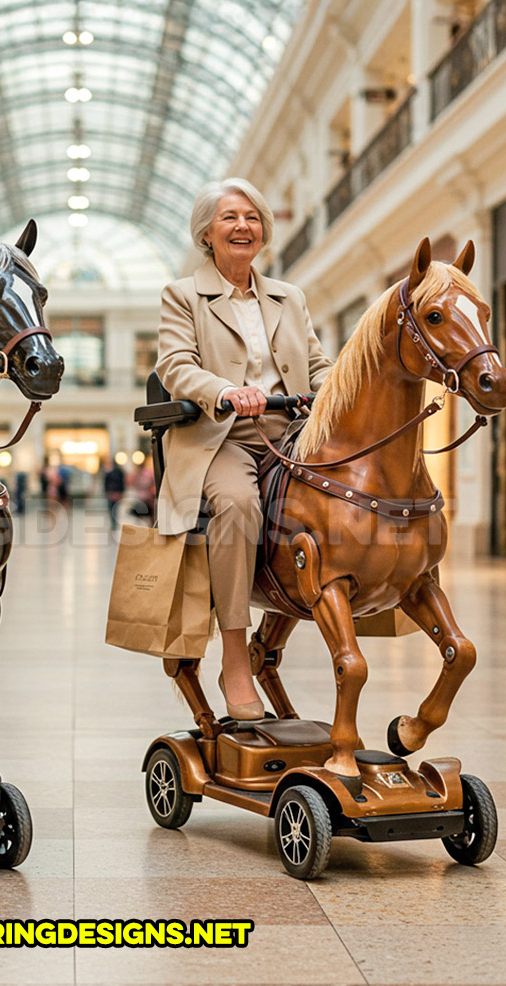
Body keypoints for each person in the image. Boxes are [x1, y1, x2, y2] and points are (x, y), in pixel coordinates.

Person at [155, 178, 332, 720]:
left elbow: (319, 367)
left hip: (294, 436)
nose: (243, 226)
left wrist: (347, 392)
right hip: (222, 439)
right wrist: (226, 392)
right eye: (230, 217)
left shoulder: (289, 297)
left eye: (253, 217)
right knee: (237, 504)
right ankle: (235, 651)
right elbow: (175, 366)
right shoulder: (183, 295)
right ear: (207, 233)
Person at [103, 459, 125, 527]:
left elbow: (106, 483)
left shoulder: (112, 473)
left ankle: (114, 522)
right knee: (115, 508)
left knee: (113, 508)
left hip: (113, 492)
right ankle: (114, 522)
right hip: (114, 492)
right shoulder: (118, 473)